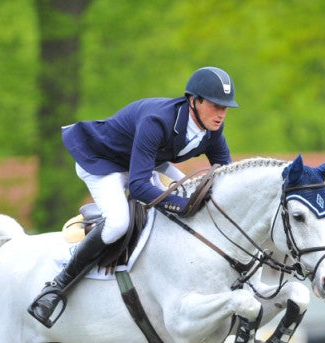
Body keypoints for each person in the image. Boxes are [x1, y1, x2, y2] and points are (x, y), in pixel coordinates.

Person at [28, 66, 239, 327]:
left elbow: (225, 175)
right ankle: (56, 287)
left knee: (185, 191)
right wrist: (185, 205)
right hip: (101, 162)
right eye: (216, 105)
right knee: (119, 222)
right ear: (193, 100)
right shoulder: (157, 120)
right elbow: (139, 187)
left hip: (141, 163)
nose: (221, 113)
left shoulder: (211, 128)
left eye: (225, 107)